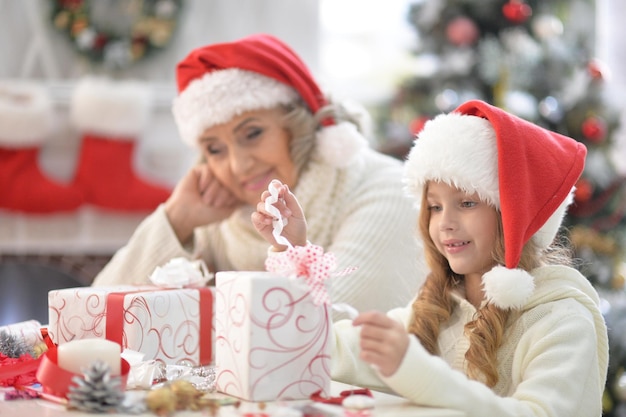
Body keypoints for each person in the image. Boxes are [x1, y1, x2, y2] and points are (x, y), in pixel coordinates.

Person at [253, 99, 609, 416]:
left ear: (516, 215)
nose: (445, 224)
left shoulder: (561, 320)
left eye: (467, 203)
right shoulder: (438, 307)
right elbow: (327, 348)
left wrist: (417, 372)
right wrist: (293, 250)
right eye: (435, 207)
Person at [92, 33, 425, 317]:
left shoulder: (386, 189)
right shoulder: (220, 217)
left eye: (252, 134)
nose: (238, 167)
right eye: (214, 149)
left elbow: (332, 326)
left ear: (298, 127)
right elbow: (96, 314)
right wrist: (175, 220)